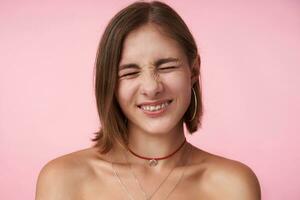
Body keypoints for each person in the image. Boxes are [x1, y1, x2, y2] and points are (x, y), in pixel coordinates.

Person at [35, 1, 261, 199]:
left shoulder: (234, 185)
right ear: (110, 84)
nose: (152, 87)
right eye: (130, 73)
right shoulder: (62, 179)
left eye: (167, 67)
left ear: (193, 71)